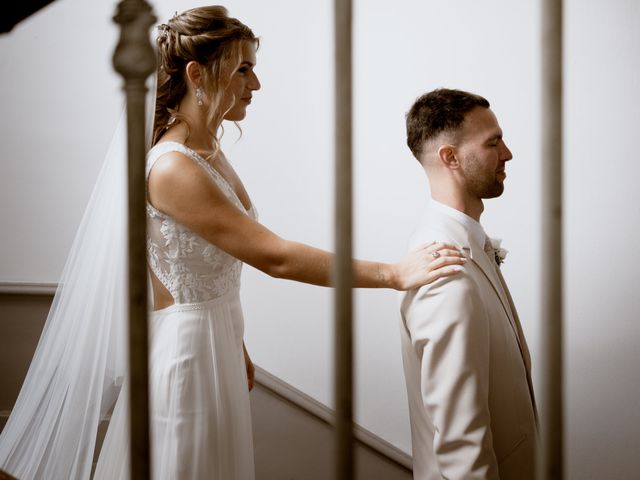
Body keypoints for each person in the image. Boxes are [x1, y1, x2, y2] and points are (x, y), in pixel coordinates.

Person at [0, 7, 466, 480]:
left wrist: (235, 342)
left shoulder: (209, 151)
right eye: (243, 69)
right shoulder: (172, 167)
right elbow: (274, 257)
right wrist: (393, 273)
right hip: (186, 361)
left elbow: (197, 268)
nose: (255, 84)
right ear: (197, 73)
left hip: (216, 344)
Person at [398, 88, 539, 480]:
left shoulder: (466, 243)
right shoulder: (446, 273)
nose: (507, 154)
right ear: (451, 157)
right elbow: (463, 446)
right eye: (493, 143)